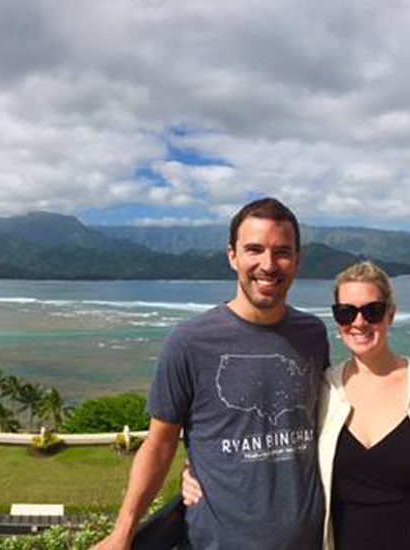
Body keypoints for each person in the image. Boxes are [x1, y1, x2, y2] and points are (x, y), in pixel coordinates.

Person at [184, 261, 410, 549]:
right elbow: (282, 439)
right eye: (346, 312)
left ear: (391, 314)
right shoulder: (326, 388)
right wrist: (199, 467)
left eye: (372, 311)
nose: (359, 323)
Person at [94, 198, 329, 550]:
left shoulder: (312, 334)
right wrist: (123, 533)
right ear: (232, 256)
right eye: (254, 250)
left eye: (282, 252)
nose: (268, 265)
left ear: (297, 260)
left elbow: (323, 421)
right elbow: (159, 445)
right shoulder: (189, 342)